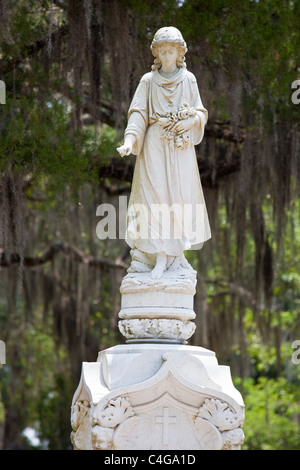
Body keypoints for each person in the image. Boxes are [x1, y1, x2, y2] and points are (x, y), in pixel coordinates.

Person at [117, 27, 211, 279]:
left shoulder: (188, 79)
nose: (167, 56)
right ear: (156, 53)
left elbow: (200, 112)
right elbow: (138, 114)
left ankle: (176, 256)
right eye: (163, 51)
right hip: (155, 145)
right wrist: (129, 140)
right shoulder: (148, 81)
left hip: (180, 147)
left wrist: (190, 121)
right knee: (154, 198)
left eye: (171, 51)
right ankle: (157, 256)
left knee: (179, 198)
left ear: (179, 52)